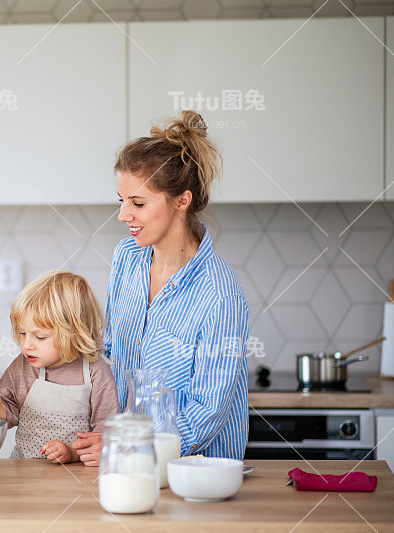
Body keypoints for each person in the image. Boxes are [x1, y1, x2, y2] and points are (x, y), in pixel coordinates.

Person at [73, 110, 249, 466]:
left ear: (181, 201)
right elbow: (111, 355)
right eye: (121, 200)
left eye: (137, 203)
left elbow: (208, 412)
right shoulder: (127, 258)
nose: (124, 215)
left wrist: (131, 444)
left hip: (196, 475)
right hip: (129, 464)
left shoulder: (219, 295)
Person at [0, 271, 119, 464]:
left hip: (76, 478)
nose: (26, 345)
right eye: (22, 333)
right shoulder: (22, 366)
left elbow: (104, 438)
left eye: (39, 337)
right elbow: (10, 417)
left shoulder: (96, 372)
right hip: (24, 472)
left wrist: (72, 453)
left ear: (73, 333)